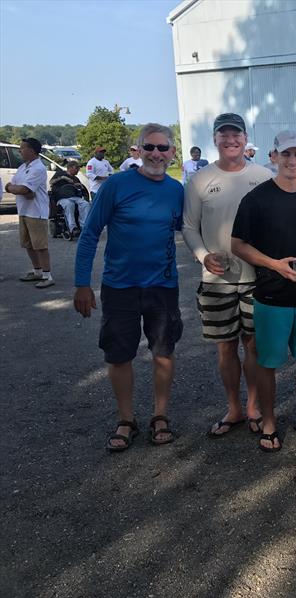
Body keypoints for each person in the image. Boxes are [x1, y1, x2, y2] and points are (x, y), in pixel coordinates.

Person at [73, 123, 184, 452]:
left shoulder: (176, 190)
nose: (156, 154)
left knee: (163, 352)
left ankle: (160, 415)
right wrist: (82, 284)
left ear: (172, 153)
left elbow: (187, 229)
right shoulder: (116, 185)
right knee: (119, 354)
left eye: (163, 148)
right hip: (119, 286)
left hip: (163, 285)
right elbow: (90, 233)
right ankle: (126, 419)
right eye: (149, 147)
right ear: (138, 151)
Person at [231, 130, 296, 452]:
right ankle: (270, 421)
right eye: (286, 154)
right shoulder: (257, 198)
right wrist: (274, 264)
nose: (292, 161)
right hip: (271, 295)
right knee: (268, 363)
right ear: (273, 157)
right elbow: (238, 245)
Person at [183, 113, 272, 438]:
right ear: (215, 139)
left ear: (245, 138)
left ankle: (253, 406)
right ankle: (233, 407)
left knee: (254, 345)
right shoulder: (199, 179)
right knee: (225, 347)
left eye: (236, 135)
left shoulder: (263, 176)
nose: (231, 140)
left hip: (254, 277)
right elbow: (190, 226)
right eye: (224, 135)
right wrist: (204, 256)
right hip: (216, 280)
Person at [5, 137, 54, 288]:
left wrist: (18, 189)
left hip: (36, 213)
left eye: (22, 148)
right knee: (28, 244)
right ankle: (37, 271)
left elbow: (24, 189)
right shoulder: (22, 167)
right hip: (24, 210)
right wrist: (16, 189)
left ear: (31, 151)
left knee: (40, 245)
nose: (20, 151)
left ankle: (47, 275)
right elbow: (13, 186)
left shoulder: (38, 168)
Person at [51, 160, 90, 237]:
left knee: (85, 204)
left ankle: (84, 226)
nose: (78, 170)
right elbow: (51, 182)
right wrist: (63, 178)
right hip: (62, 197)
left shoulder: (76, 178)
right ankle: (73, 228)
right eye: (77, 168)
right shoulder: (60, 173)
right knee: (69, 204)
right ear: (70, 168)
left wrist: (79, 186)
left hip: (74, 197)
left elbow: (82, 190)